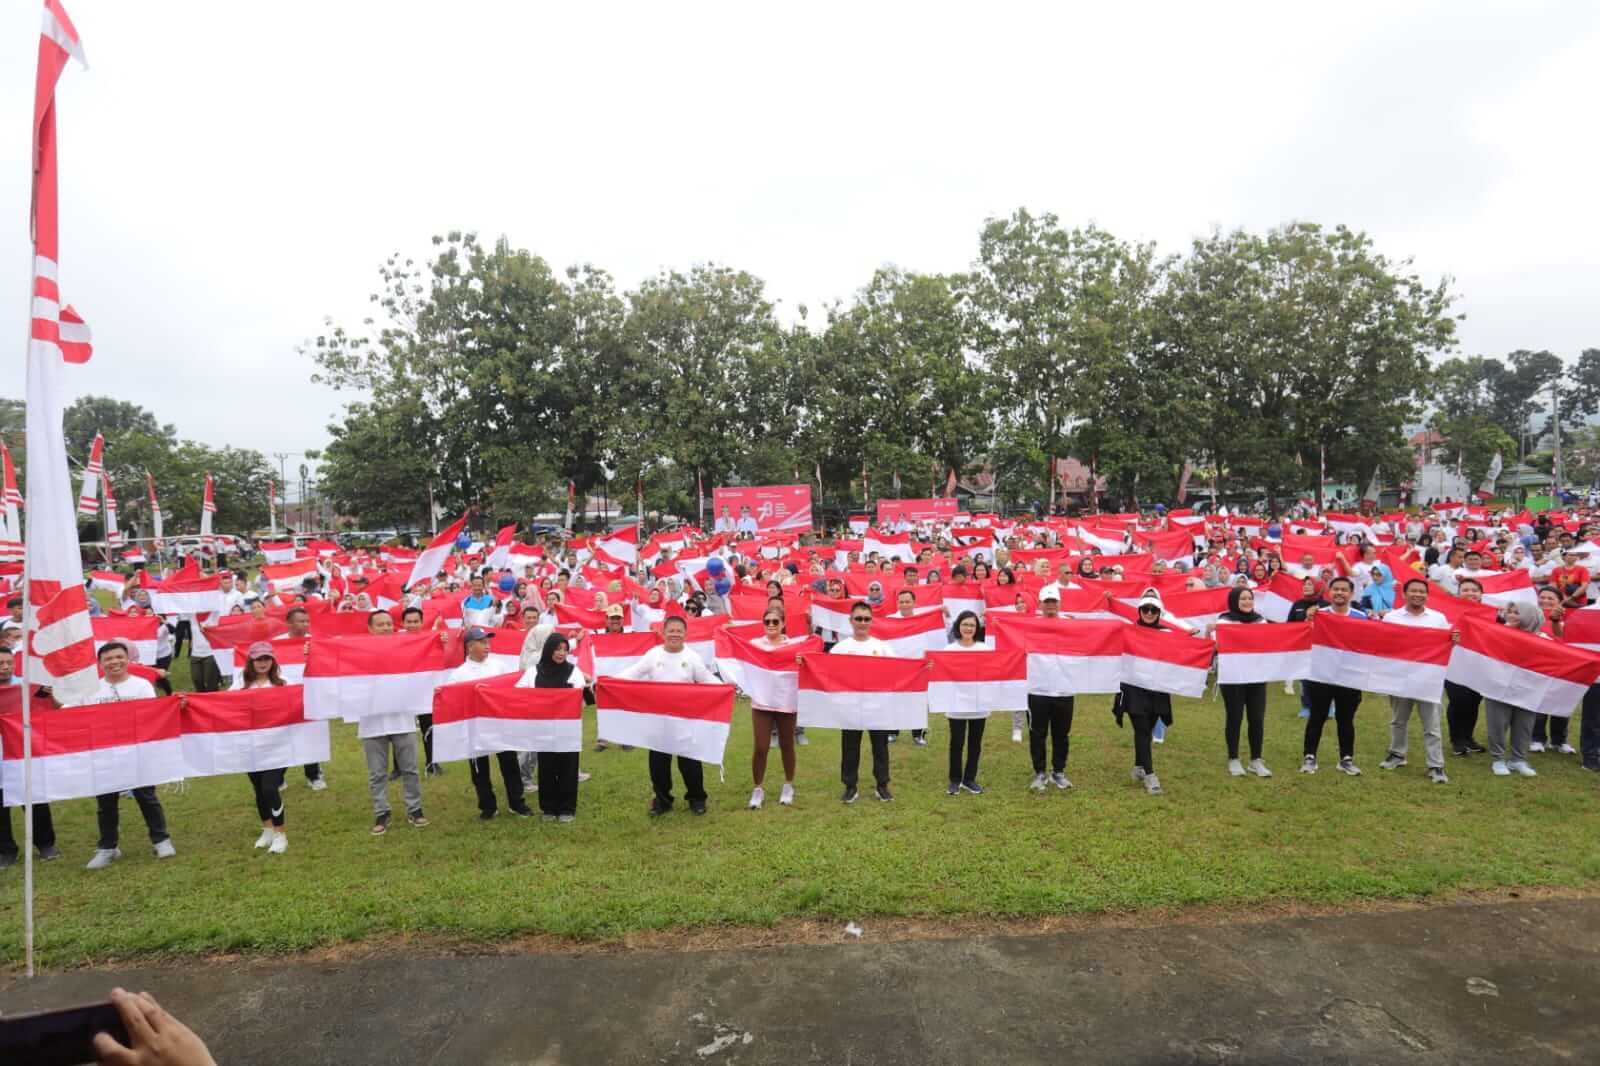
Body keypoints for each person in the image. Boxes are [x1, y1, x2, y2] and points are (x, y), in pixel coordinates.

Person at [82, 642, 176, 869]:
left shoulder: (142, 686)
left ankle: (161, 840)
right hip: (104, 754)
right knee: (106, 802)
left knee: (146, 796)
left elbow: (152, 716)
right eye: (108, 658)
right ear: (100, 663)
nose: (114, 662)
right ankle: (108, 848)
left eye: (118, 657)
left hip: (137, 752)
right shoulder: (91, 690)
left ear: (127, 659)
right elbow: (72, 714)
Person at [617, 615, 721, 816]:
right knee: (658, 765)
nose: (674, 634)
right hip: (659, 721)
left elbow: (707, 679)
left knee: (689, 763)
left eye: (679, 631)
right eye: (671, 630)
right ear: (664, 633)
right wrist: (610, 680)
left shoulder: (692, 657)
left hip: (685, 721)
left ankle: (697, 798)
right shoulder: (653, 655)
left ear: (685, 634)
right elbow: (634, 672)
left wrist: (724, 688)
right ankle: (662, 800)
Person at [449, 626, 532, 820]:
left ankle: (517, 802)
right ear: (470, 646)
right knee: (479, 769)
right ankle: (487, 806)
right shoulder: (459, 674)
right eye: (483, 642)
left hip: (500, 723)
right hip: (476, 727)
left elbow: (511, 689)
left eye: (488, 642)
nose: (488, 646)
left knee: (509, 764)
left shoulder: (499, 666)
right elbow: (454, 699)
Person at [359, 610, 427, 835]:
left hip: (402, 719)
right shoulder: (359, 652)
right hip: (372, 721)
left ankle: (415, 809)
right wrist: (311, 652)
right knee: (377, 773)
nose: (387, 627)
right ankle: (381, 812)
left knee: (410, 768)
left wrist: (442, 641)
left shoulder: (406, 647)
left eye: (389, 623)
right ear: (370, 629)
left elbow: (430, 656)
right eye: (381, 624)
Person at [1378, 578, 1451, 784]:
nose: (1418, 594)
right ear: (1405, 593)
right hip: (1400, 678)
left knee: (1432, 725)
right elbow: (1383, 644)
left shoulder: (1438, 618)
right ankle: (1397, 755)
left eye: (1422, 591)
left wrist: (1453, 639)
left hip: (1429, 679)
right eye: (1414, 591)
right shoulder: (1392, 618)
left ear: (1427, 595)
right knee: (1398, 720)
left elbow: (1447, 643)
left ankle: (1436, 765)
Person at [828, 601, 895, 803]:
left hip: (877, 706)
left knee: (880, 747)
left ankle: (882, 785)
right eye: (858, 618)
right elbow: (827, 673)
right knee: (850, 747)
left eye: (866, 619)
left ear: (871, 621)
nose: (862, 622)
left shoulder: (881, 647)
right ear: (851, 621)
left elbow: (898, 670)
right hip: (850, 707)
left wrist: (922, 666)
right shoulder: (840, 649)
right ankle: (850, 786)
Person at [517, 633, 588, 822]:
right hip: (543, 729)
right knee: (547, 768)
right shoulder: (533, 672)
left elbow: (581, 699)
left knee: (568, 767)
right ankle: (548, 808)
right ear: (549, 649)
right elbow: (518, 693)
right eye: (557, 649)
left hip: (567, 729)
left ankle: (567, 808)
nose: (561, 653)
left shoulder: (574, 671)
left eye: (565, 649)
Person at [1300, 576, 1366, 776]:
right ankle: (1309, 756)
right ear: (1329, 593)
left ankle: (1346, 759)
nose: (1339, 593)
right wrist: (1308, 618)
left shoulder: (1360, 617)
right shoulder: (1319, 614)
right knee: (1317, 716)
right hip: (1321, 675)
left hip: (1349, 676)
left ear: (1351, 594)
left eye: (1344, 589)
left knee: (1346, 719)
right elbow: (1304, 635)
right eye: (1336, 589)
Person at [0, 653, 61, 867]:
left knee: (35, 800)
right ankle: (6, 850)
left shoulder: (29, 688)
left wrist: (50, 694)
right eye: (0, 664)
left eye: (8, 663)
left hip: (22, 756)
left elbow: (53, 712)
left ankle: (45, 844)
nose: (5, 667)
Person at [1117, 595, 1174, 794]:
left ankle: (1139, 766)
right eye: (1145, 609)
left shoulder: (1167, 633)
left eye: (1153, 610)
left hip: (1157, 689)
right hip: (1134, 688)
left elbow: (1178, 653)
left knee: (1147, 729)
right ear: (1139, 610)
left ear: (1159, 613)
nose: (1149, 613)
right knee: (1141, 728)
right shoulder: (1129, 631)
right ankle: (1150, 775)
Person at [1213, 586, 1272, 778]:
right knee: (1235, 716)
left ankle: (1256, 760)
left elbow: (1266, 644)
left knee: (1256, 718)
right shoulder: (1224, 620)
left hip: (1256, 676)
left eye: (1250, 598)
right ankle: (1233, 758)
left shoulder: (1260, 620)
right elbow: (1218, 645)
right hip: (1232, 677)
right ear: (1234, 601)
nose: (1247, 602)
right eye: (1243, 599)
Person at [237, 641, 290, 853]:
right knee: (259, 789)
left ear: (273, 660)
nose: (262, 662)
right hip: (251, 746)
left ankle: (280, 834)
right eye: (258, 658)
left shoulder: (284, 683)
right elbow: (223, 704)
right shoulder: (241, 684)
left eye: (266, 658)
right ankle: (267, 829)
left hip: (278, 746)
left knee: (270, 787)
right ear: (251, 661)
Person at [748, 607, 802, 809]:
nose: (771, 625)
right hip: (762, 702)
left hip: (786, 701)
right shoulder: (755, 645)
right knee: (761, 746)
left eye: (775, 622)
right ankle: (758, 788)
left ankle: (788, 785)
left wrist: (800, 661)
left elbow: (805, 666)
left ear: (783, 624)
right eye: (767, 621)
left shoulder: (794, 646)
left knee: (787, 744)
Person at [1482, 601, 1544, 777]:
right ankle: (1498, 759)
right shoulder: (1497, 632)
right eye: (1509, 612)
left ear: (1529, 616)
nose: (1511, 615)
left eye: (1517, 612)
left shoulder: (1543, 639)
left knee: (1524, 725)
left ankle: (1518, 760)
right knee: (1498, 723)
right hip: (1498, 686)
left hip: (1528, 689)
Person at [1026, 587, 1074, 792]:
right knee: (1037, 733)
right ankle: (1040, 772)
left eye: (1054, 601)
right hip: (1037, 689)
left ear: (1060, 603)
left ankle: (1058, 771)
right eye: (1047, 601)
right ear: (1040, 604)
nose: (1051, 605)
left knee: (1061, 733)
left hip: (1065, 689)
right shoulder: (1029, 625)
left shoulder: (1070, 624)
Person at [942, 611, 988, 795]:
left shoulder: (985, 649)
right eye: (965, 624)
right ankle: (955, 780)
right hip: (956, 704)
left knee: (975, 743)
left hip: (979, 703)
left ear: (976, 629)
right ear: (958, 626)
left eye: (972, 625)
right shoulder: (948, 650)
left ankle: (970, 779)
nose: (968, 628)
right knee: (957, 742)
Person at [1444, 577, 1491, 757]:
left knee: (1474, 701)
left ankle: (1468, 737)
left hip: (1479, 665)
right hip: (1454, 664)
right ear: (1458, 592)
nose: (1470, 593)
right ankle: (1457, 740)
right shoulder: (1447, 612)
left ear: (1481, 594)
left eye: (1474, 590)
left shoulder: (1491, 614)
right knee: (1458, 701)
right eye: (1465, 589)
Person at [282, 606, 328, 790]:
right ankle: (278, 776)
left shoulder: (316, 642)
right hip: (286, 698)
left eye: (307, 621)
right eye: (301, 621)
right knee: (284, 737)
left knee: (312, 735)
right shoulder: (277, 644)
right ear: (289, 623)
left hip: (312, 695)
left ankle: (314, 775)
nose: (305, 624)